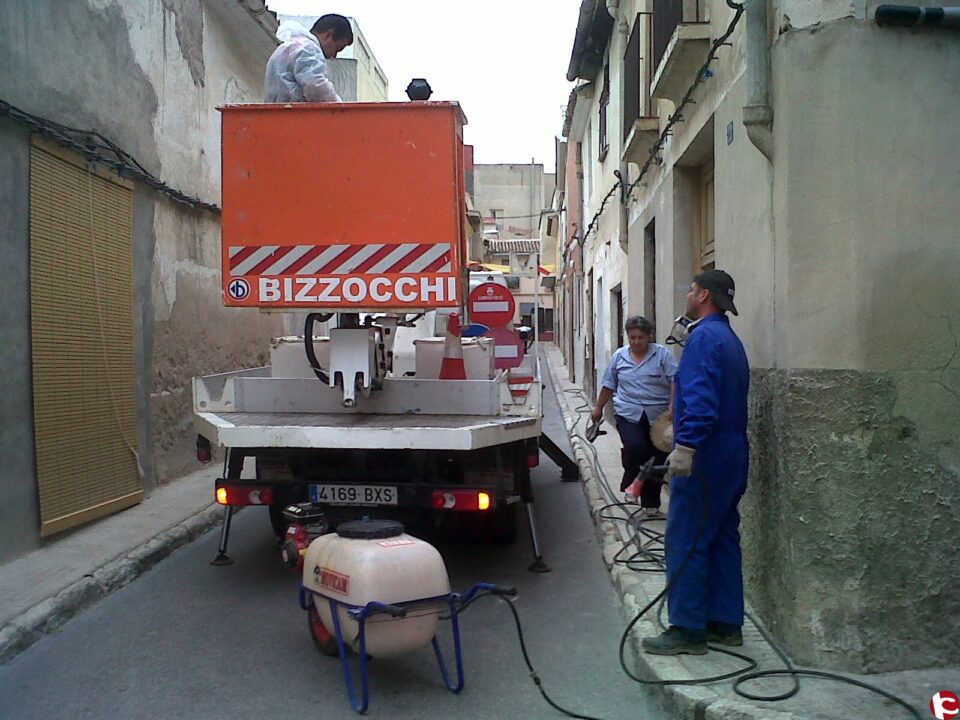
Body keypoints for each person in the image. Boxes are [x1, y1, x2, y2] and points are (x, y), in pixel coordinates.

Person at [642, 269, 750, 656]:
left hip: (706, 454)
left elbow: (702, 401)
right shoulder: (730, 339)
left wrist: (685, 446)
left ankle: (688, 629)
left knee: (687, 538)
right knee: (721, 535)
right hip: (732, 452)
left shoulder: (702, 338)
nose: (687, 294)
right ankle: (725, 623)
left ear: (703, 295)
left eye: (691, 289)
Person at [591, 316, 677, 517]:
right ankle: (631, 481)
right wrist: (598, 408)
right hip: (628, 413)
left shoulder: (662, 355)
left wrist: (673, 405)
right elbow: (608, 384)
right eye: (632, 338)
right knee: (636, 448)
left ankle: (650, 502)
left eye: (640, 337)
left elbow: (675, 380)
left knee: (657, 457)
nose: (636, 342)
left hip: (659, 416)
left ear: (649, 337)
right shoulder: (619, 357)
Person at [264, 15, 354, 103]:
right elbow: (315, 85)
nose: (334, 56)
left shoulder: (288, 47)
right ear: (328, 35)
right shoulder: (309, 49)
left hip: (276, 113)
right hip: (296, 114)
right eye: (337, 48)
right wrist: (338, 105)